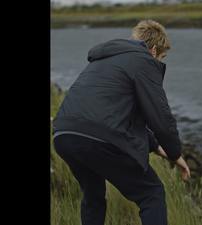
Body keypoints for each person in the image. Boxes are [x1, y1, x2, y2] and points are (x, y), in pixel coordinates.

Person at [52, 19, 190, 225]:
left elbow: (120, 114)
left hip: (64, 134)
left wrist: (158, 147)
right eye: (161, 58)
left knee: (93, 196)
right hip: (100, 137)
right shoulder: (144, 61)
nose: (159, 63)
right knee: (151, 193)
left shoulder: (102, 60)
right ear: (153, 51)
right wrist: (175, 153)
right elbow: (160, 117)